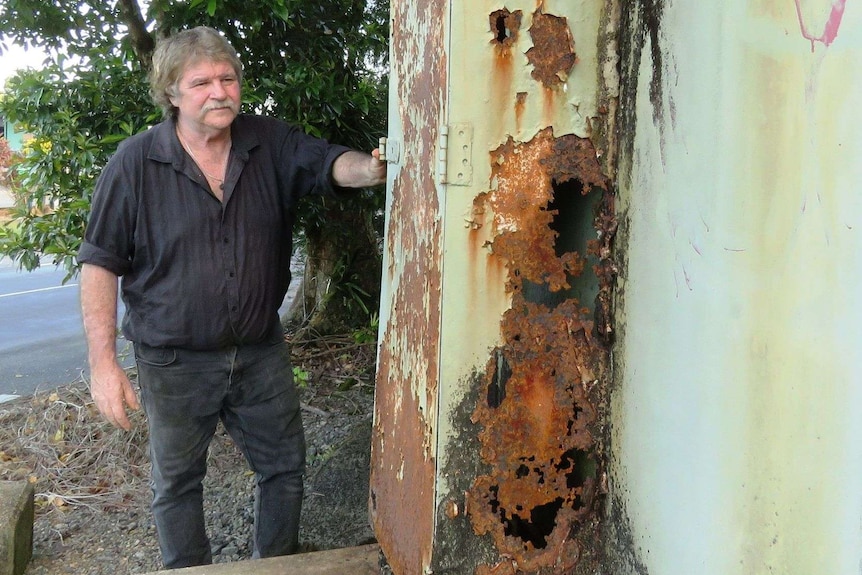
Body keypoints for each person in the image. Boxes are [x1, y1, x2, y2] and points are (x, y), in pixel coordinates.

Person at [78, 26, 386, 569]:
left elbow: (328, 162)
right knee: (177, 482)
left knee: (285, 467)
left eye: (228, 78)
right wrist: (103, 364)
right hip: (173, 361)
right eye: (200, 82)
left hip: (259, 351)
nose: (219, 91)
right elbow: (100, 263)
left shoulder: (268, 141)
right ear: (171, 94)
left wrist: (372, 168)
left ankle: (275, 561)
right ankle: (189, 571)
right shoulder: (134, 163)